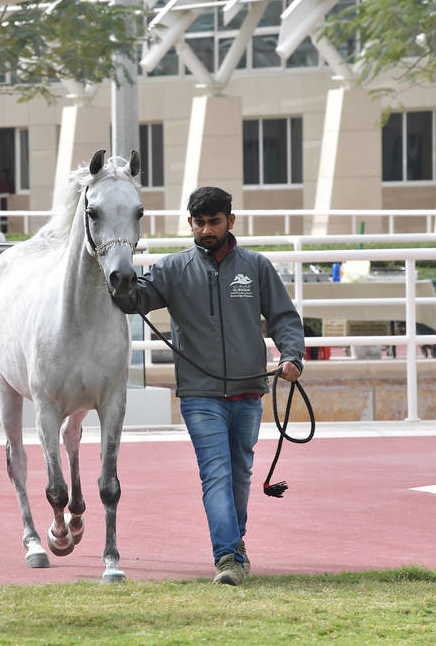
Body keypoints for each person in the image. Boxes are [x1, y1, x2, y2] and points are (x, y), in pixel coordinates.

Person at [111, 186, 305, 586]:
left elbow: (284, 318)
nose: (205, 229)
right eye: (198, 223)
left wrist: (291, 356)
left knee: (239, 474)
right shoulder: (172, 269)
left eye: (213, 221)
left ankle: (235, 543)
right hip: (199, 396)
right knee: (216, 473)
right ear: (190, 224)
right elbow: (134, 299)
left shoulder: (256, 266)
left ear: (230, 221)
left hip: (250, 391)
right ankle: (228, 557)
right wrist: (118, 272)